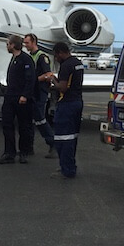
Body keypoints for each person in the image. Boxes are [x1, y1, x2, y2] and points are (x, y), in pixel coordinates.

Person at [0, 34, 36, 164]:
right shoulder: (13, 59)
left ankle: (24, 152)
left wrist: (25, 95)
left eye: (8, 44)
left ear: (13, 45)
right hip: (10, 97)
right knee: (7, 125)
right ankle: (9, 153)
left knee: (24, 126)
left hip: (21, 98)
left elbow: (30, 79)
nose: (7, 46)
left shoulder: (26, 59)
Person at [48, 41, 84, 179]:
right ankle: (70, 166)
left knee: (63, 138)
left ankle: (67, 170)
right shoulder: (78, 63)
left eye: (56, 56)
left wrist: (53, 80)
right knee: (72, 137)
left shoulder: (66, 65)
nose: (56, 59)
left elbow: (62, 87)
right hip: (77, 102)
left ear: (60, 53)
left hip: (66, 104)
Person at [23, 33, 57, 158]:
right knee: (30, 120)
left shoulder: (41, 57)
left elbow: (49, 74)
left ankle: (53, 143)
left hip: (39, 93)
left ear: (34, 42)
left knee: (40, 119)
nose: (25, 45)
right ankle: (28, 148)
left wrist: (34, 80)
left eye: (27, 43)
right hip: (31, 92)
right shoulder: (29, 57)